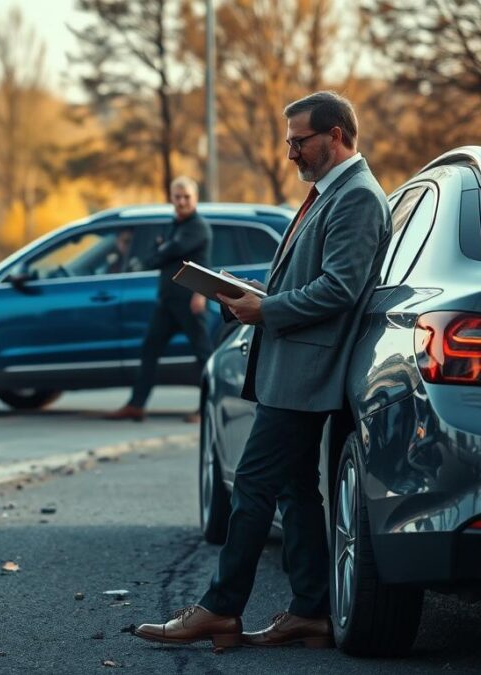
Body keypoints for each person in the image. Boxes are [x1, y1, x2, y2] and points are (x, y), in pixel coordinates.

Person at [133, 91, 390, 649]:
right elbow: (317, 279)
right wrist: (251, 292)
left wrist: (265, 309)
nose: (291, 152)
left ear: (337, 136)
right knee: (296, 490)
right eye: (289, 141)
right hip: (296, 367)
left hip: (307, 375)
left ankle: (220, 609)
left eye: (299, 141)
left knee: (252, 485)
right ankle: (311, 612)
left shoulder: (358, 198)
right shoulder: (331, 193)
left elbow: (341, 289)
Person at [107, 176, 212, 423]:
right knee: (149, 350)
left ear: (195, 199)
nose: (182, 201)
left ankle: (208, 407)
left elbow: (167, 254)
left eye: (187, 197)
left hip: (189, 302)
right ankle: (136, 405)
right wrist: (161, 250)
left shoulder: (197, 227)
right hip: (167, 302)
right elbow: (161, 254)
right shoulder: (175, 224)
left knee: (203, 355)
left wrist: (201, 294)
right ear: (172, 198)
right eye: (178, 197)